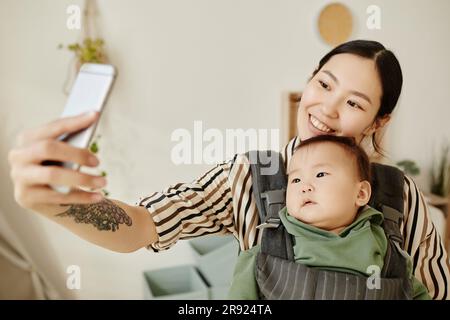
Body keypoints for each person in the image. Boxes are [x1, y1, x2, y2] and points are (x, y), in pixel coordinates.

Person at [7, 39, 450, 299]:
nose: (326, 110)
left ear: (378, 121)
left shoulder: (400, 194)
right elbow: (143, 226)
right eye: (324, 84)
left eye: (354, 102)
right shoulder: (251, 177)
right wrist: (59, 206)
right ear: (310, 80)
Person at [227, 134, 431, 299]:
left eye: (320, 174)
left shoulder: (384, 244)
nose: (304, 186)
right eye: (296, 179)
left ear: (360, 194)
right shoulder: (266, 251)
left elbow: (412, 289)